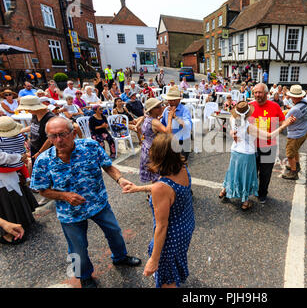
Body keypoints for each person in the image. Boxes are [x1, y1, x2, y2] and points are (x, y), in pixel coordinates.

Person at [31, 117, 141, 288]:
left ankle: (120, 257)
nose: (58, 140)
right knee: (77, 248)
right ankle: (84, 276)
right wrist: (64, 196)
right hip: (70, 213)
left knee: (114, 232)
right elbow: (42, 190)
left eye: (62, 134)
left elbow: (108, 166)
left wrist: (120, 179)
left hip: (98, 203)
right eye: (52, 136)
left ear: (73, 133)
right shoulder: (43, 161)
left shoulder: (90, 146)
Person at [121, 133, 194, 288]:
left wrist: (154, 260)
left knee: (167, 277)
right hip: (186, 226)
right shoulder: (182, 167)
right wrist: (138, 188)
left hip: (171, 236)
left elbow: (162, 226)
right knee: (177, 260)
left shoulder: (161, 187)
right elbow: (166, 189)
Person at [220, 101, 294, 210]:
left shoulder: (233, 119)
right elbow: (269, 136)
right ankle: (245, 201)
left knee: (233, 171)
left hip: (235, 151)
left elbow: (231, 124)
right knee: (246, 176)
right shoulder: (249, 127)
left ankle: (224, 190)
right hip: (246, 154)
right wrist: (284, 126)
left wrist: (232, 132)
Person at [244, 83, 285, 204]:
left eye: (260, 92)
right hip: (252, 146)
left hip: (269, 146)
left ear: (266, 93)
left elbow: (282, 122)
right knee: (252, 171)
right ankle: (251, 190)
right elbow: (237, 120)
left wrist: (282, 128)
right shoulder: (249, 106)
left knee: (265, 173)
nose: (257, 95)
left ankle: (262, 193)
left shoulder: (275, 106)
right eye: (255, 92)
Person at [0, 144, 37, 245]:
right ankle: (7, 232)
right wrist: (19, 157)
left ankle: (21, 223)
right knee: (6, 199)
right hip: (4, 174)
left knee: (14, 194)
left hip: (10, 171)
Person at [137, 98, 173, 184]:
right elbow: (168, 132)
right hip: (153, 150)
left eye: (161, 106)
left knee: (153, 173)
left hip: (146, 147)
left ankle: (151, 195)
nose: (161, 108)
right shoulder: (154, 122)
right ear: (152, 110)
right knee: (156, 174)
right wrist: (170, 117)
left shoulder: (148, 119)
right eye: (157, 107)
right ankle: (154, 195)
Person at [282, 85, 307, 180]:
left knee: (290, 154)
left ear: (294, 97)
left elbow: (285, 122)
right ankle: (296, 165)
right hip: (304, 131)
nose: (290, 98)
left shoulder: (295, 109)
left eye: (291, 96)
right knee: (295, 150)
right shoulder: (306, 102)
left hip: (296, 133)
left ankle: (293, 172)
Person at [16, 96, 54, 168]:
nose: (27, 111)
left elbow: (50, 139)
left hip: (45, 150)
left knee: (44, 168)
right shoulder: (35, 114)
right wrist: (19, 131)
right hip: (34, 147)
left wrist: (40, 152)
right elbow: (33, 126)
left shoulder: (50, 118)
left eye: (28, 110)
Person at [161, 88, 192, 160]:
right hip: (170, 141)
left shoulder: (184, 110)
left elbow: (187, 126)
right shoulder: (166, 110)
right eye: (169, 100)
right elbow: (163, 124)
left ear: (179, 100)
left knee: (182, 165)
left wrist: (175, 117)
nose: (170, 102)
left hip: (182, 142)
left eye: (173, 100)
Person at [0, 116, 30, 182]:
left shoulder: (2, 139)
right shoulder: (20, 136)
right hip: (20, 163)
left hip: (7, 167)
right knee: (23, 166)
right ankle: (27, 177)